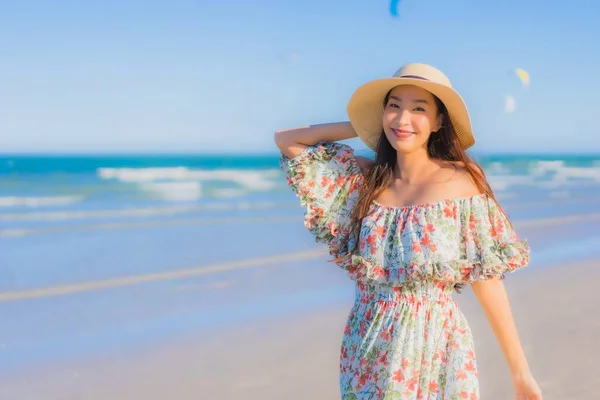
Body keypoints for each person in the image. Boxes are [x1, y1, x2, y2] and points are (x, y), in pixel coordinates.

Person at [274, 63, 543, 399]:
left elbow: (487, 281)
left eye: (419, 109)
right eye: (394, 106)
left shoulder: (461, 182)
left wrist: (520, 373)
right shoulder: (364, 180)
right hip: (368, 344)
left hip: (435, 343)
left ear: (439, 121)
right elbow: (288, 140)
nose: (403, 119)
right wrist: (365, 124)